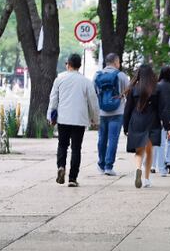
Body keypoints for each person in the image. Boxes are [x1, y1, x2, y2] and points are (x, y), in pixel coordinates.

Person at [48, 53, 100, 188]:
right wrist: (95, 119)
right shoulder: (86, 82)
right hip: (79, 119)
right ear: (79, 65)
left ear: (68, 64)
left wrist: (51, 117)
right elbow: (93, 102)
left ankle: (61, 166)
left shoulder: (60, 79)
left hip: (63, 118)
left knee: (62, 145)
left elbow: (53, 100)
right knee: (76, 148)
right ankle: (72, 178)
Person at [124, 64, 169, 189]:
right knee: (149, 152)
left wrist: (125, 127)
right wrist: (167, 126)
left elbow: (127, 109)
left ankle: (138, 169)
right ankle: (147, 179)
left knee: (139, 151)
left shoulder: (133, 89)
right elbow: (162, 109)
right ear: (151, 75)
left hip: (136, 121)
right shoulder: (157, 89)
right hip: (152, 122)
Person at [94, 53, 130, 176]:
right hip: (117, 112)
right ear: (115, 62)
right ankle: (109, 167)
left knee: (102, 139)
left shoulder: (97, 75)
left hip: (102, 112)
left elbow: (94, 93)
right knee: (113, 139)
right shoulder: (121, 75)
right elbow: (128, 92)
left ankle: (101, 164)